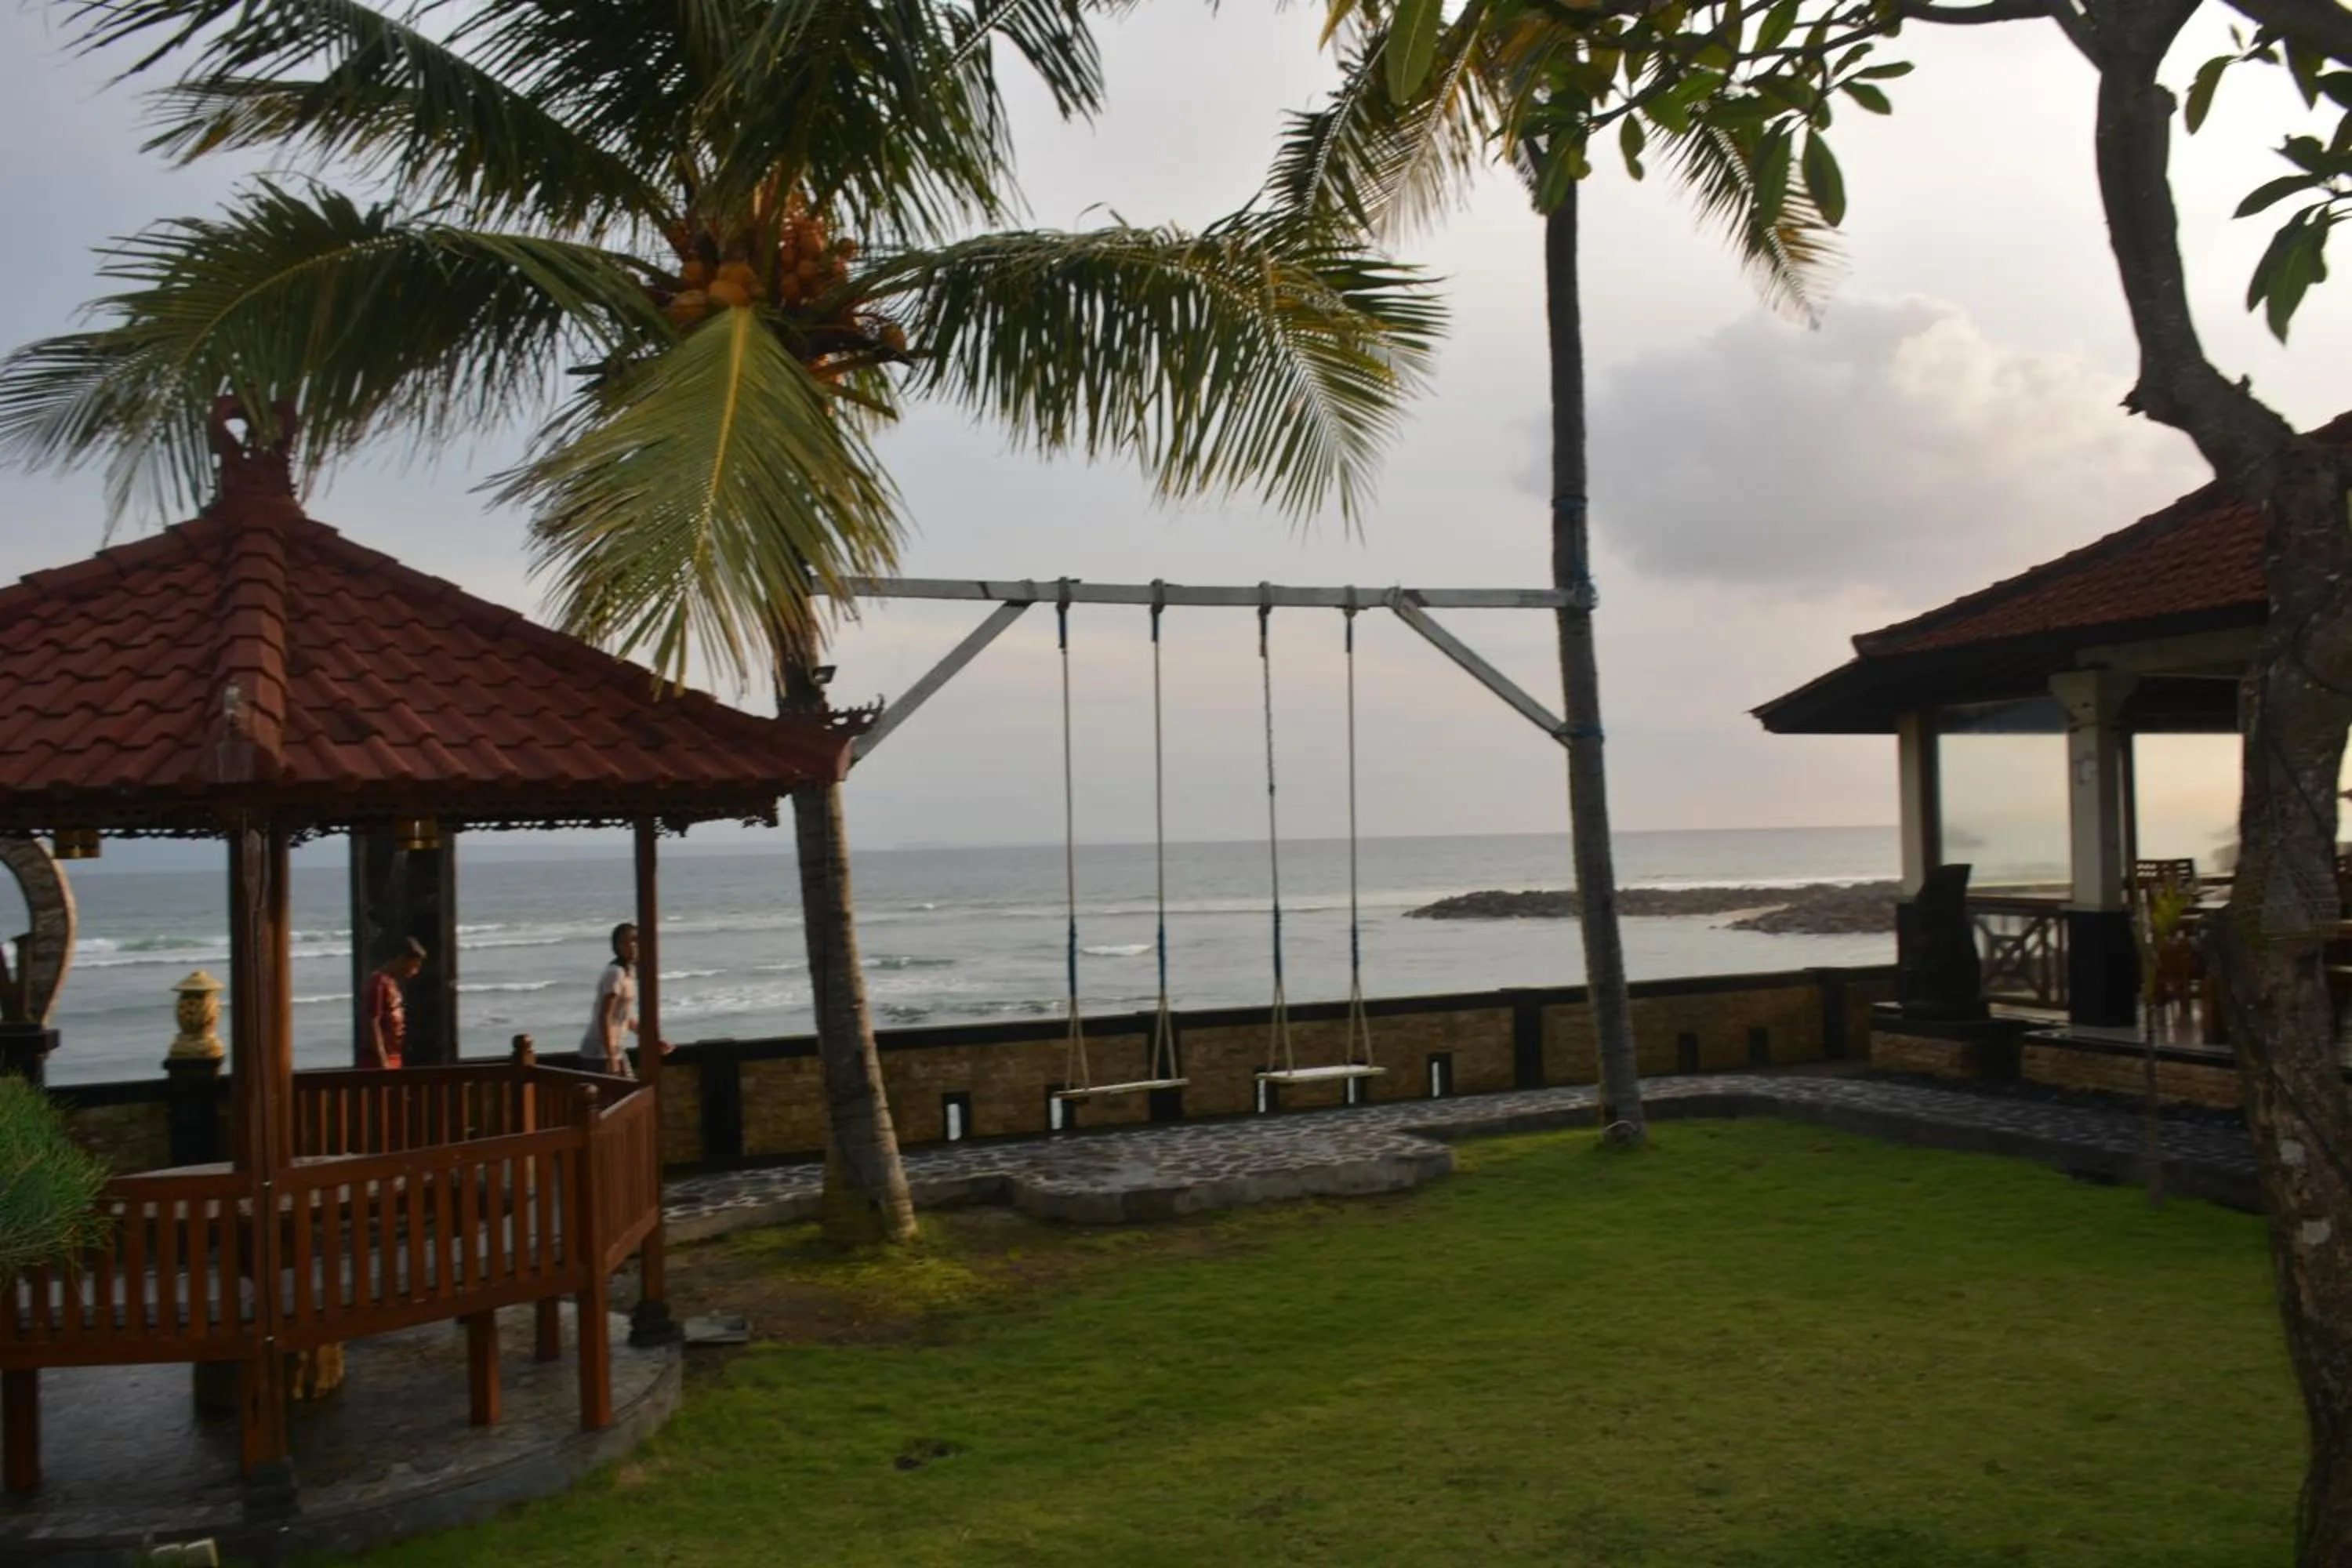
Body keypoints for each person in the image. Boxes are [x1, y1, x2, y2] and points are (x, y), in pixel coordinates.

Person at [583, 923, 641, 1076]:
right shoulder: (615, 973)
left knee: (628, 1092)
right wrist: (611, 1056)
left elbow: (626, 1017)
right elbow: (605, 1015)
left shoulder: (631, 972)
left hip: (616, 1047)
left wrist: (653, 1039)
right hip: (600, 1050)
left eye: (635, 940)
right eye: (625, 942)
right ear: (616, 947)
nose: (632, 945)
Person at [361, 938, 426, 1069]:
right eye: (414, 965)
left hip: (393, 1054)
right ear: (401, 959)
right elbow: (372, 1022)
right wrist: (382, 1060)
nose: (415, 971)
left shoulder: (392, 983)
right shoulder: (379, 983)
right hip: (380, 1059)